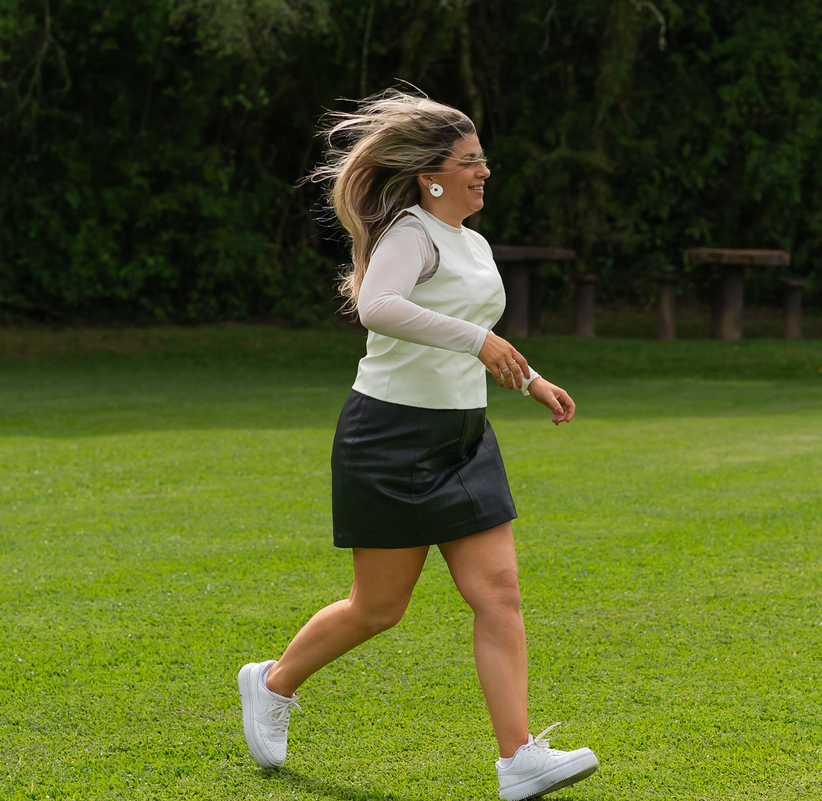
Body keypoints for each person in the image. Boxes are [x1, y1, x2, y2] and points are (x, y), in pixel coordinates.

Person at [237, 89, 598, 801]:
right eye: (470, 162)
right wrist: (482, 340)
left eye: (483, 161)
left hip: (463, 436)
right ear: (431, 174)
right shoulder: (410, 232)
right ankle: (272, 682)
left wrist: (529, 381)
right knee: (378, 607)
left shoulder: (474, 242)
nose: (483, 172)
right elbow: (378, 305)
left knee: (498, 593)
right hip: (391, 437)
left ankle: (518, 756)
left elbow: (468, 333)